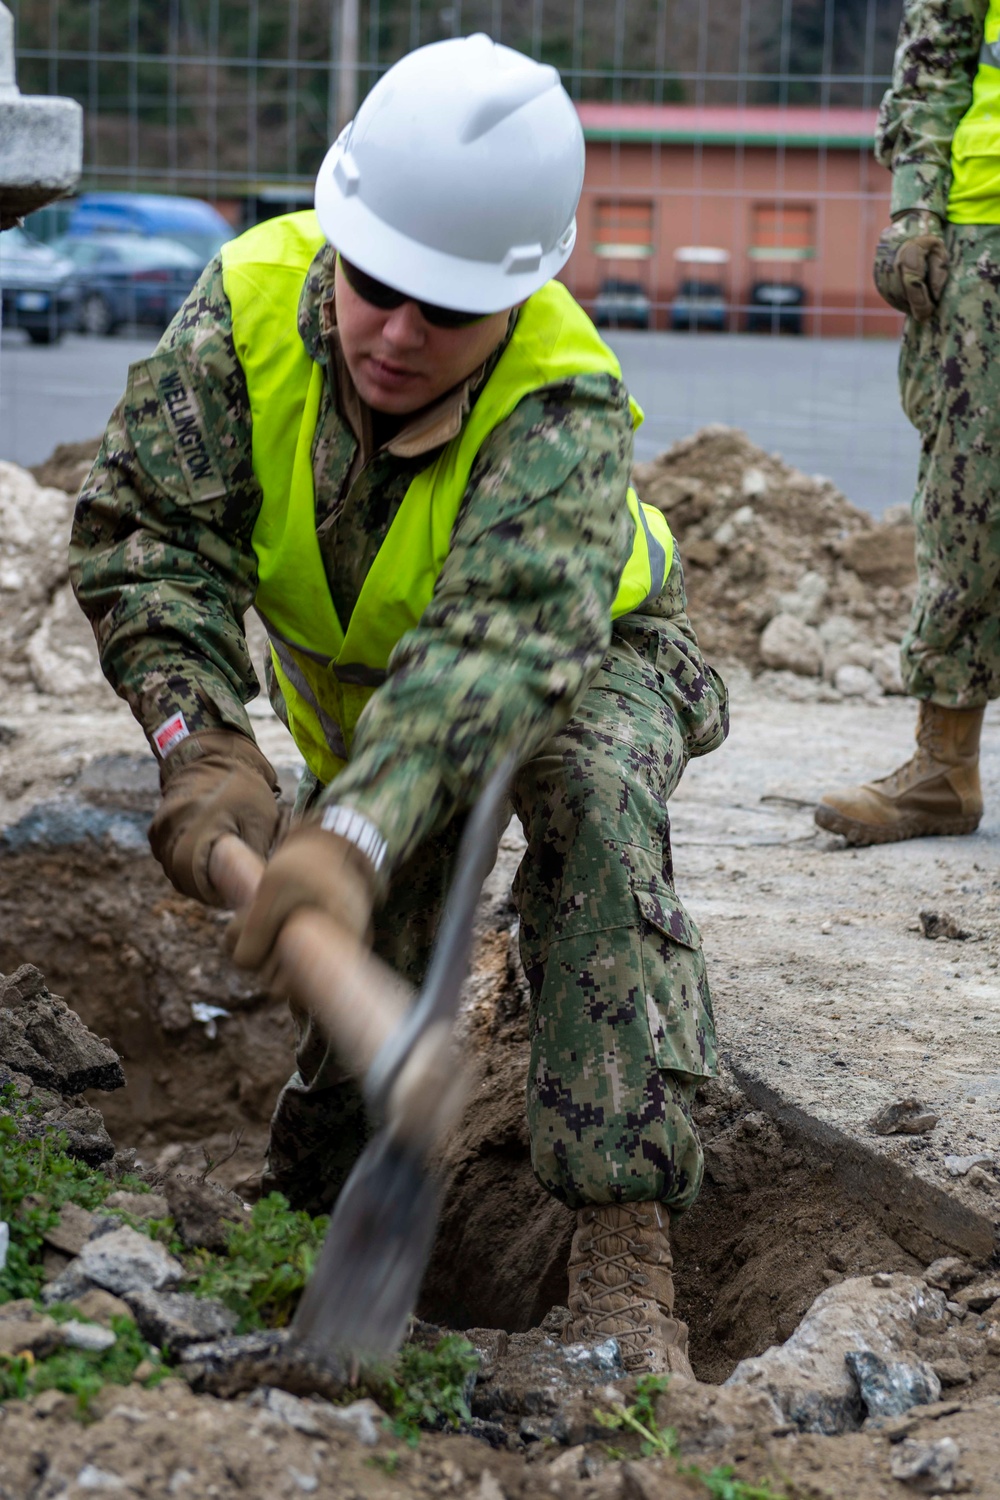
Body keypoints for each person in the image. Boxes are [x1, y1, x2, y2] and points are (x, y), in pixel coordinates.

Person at [69, 35, 727, 1375]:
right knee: (374, 939)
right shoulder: (247, 305)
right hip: (388, 714)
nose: (395, 334)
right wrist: (205, 747)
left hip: (585, 659)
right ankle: (316, 1204)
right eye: (375, 289)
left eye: (445, 312)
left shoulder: (565, 397)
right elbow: (152, 540)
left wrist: (355, 835)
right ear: (339, 236)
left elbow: (495, 653)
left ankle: (621, 1253)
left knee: (589, 801)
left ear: (520, 293)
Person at [814, 0, 994, 845]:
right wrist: (918, 209)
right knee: (971, 506)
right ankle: (943, 769)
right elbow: (935, 59)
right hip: (985, 226)